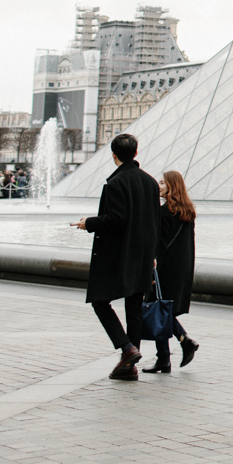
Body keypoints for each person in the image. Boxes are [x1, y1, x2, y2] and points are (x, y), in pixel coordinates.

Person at [71, 134, 159, 382]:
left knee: (100, 300)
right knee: (134, 307)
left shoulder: (116, 183)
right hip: (142, 255)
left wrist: (88, 223)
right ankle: (130, 366)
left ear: (113, 155)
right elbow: (155, 223)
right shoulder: (151, 183)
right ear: (136, 153)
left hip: (119, 255)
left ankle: (126, 348)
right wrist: (153, 255)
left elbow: (116, 220)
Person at [142, 170, 201, 374]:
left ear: (171, 186)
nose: (158, 186)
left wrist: (150, 269)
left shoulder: (165, 211)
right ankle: (165, 358)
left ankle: (182, 344)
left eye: (162, 183)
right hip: (181, 269)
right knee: (163, 310)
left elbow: (159, 244)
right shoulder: (188, 211)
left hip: (164, 269)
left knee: (160, 310)